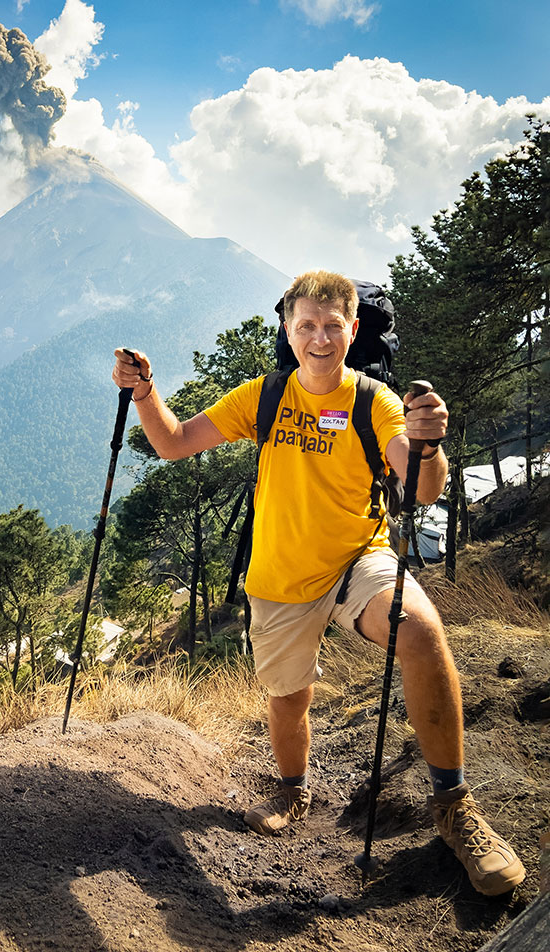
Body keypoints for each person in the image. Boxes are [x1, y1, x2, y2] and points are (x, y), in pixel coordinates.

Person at [113, 269, 525, 897]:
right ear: (288, 330)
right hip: (279, 577)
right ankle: (292, 789)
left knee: (420, 631)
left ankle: (455, 807)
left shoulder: (374, 402)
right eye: (307, 325)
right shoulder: (266, 396)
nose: (321, 338)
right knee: (288, 699)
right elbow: (173, 443)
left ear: (353, 330)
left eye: (333, 326)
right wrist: (144, 391)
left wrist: (430, 442)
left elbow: (421, 487)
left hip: (357, 560)